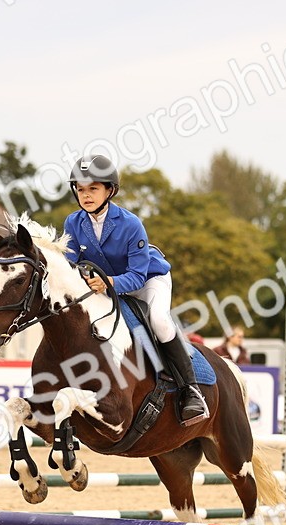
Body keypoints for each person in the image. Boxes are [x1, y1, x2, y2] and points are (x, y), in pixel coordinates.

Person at [64, 154, 208, 425]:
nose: (86, 195)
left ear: (110, 190)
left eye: (93, 189)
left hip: (147, 280)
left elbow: (138, 277)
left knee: (159, 321)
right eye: (80, 189)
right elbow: (71, 264)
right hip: (104, 286)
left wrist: (108, 283)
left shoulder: (130, 224)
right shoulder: (73, 223)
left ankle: (191, 391)